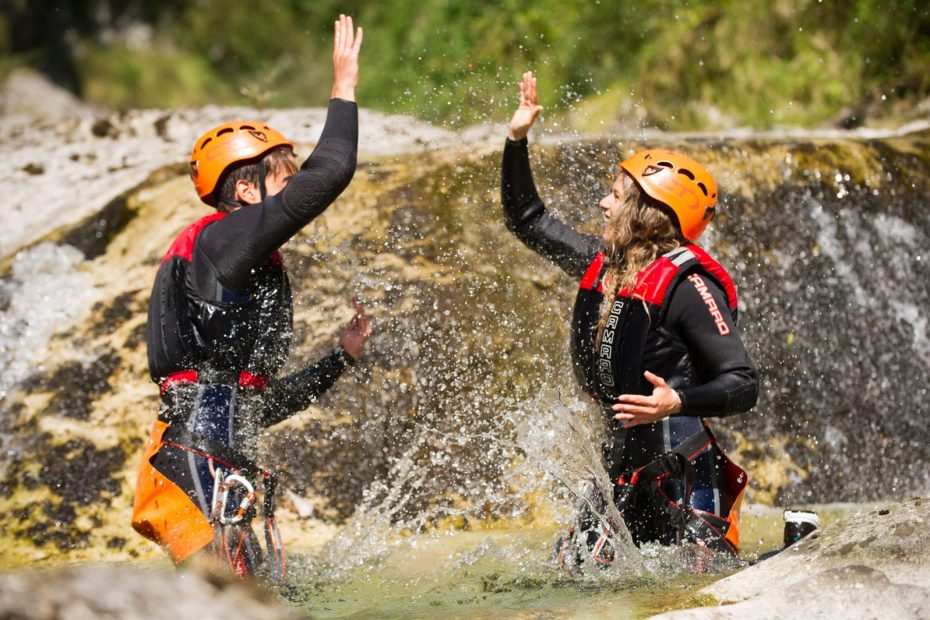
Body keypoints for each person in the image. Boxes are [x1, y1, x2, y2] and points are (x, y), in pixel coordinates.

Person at [131, 15, 369, 581]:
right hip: (188, 471)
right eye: (284, 184)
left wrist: (340, 360)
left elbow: (255, 405)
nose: (292, 202)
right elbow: (332, 172)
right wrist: (344, 87)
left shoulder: (248, 270)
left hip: (213, 470)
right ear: (244, 189)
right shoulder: (221, 241)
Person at [501, 72, 759, 564]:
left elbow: (743, 382)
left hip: (681, 478)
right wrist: (517, 139)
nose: (602, 202)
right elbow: (527, 219)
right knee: (567, 582)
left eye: (616, 195)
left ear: (646, 212)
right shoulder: (603, 264)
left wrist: (675, 401)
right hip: (618, 471)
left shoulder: (688, 288)